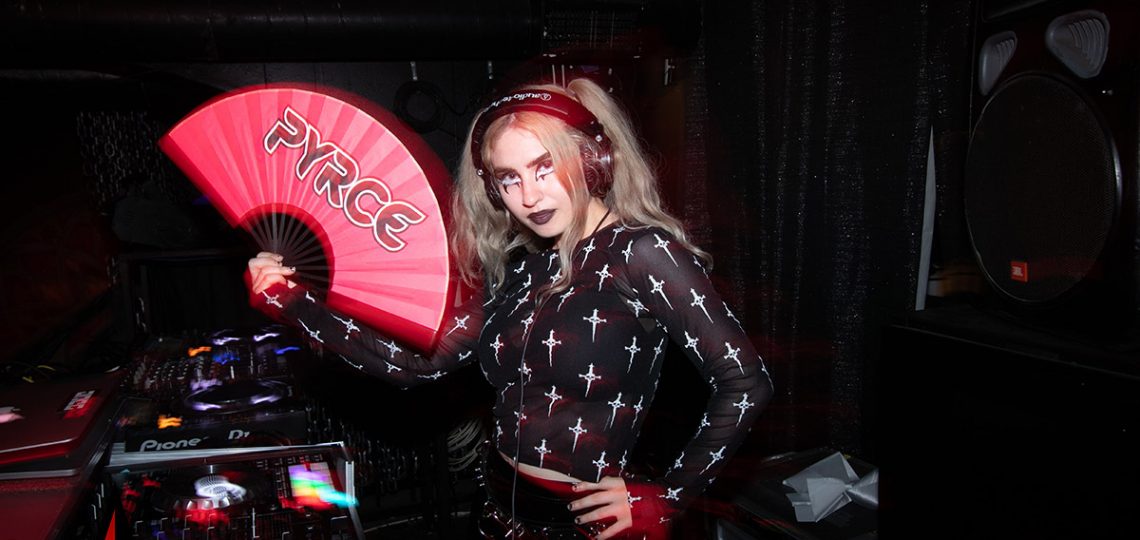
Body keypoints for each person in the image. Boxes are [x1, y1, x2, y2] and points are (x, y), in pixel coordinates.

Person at [248, 77, 772, 539]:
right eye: (509, 178)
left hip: (584, 526)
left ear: (593, 161)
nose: (529, 196)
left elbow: (746, 382)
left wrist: (670, 495)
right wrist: (295, 303)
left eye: (546, 168)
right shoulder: (524, 268)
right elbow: (420, 365)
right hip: (498, 509)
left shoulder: (642, 252)